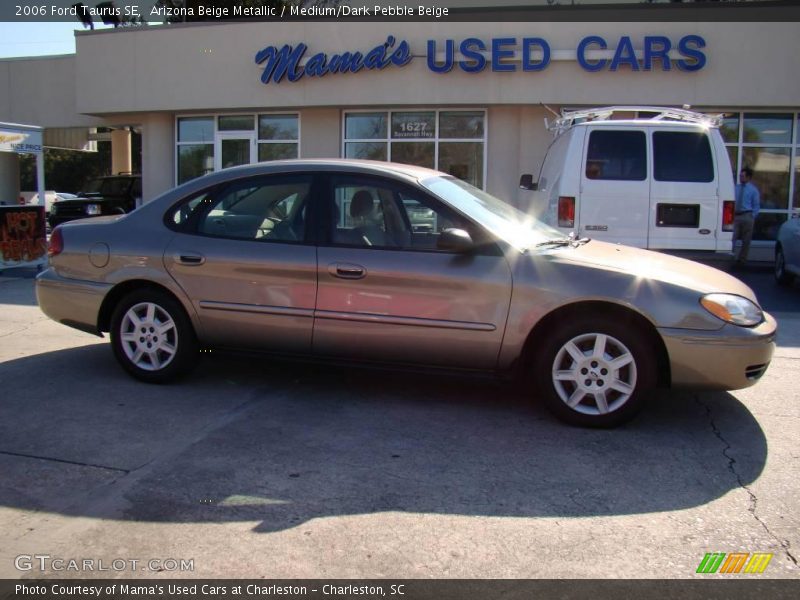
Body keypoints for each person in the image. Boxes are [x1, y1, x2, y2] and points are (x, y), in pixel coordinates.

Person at [731, 166, 760, 266]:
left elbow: (756, 205)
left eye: (743, 176)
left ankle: (742, 260)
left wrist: (752, 216)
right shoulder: (736, 188)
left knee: (746, 240)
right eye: (740, 176)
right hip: (736, 216)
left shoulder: (753, 190)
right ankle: (731, 257)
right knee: (732, 237)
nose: (741, 178)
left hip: (747, 215)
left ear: (748, 177)